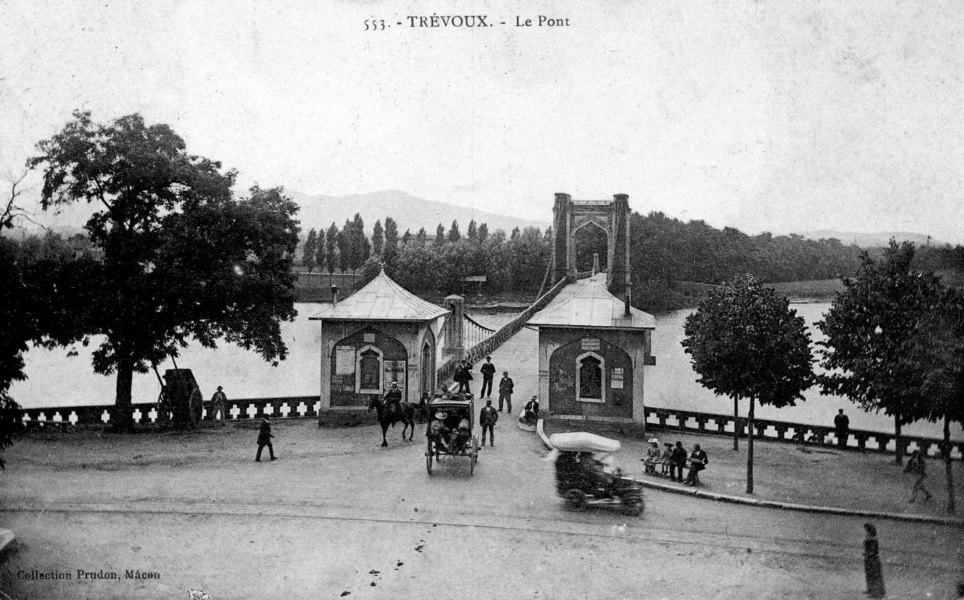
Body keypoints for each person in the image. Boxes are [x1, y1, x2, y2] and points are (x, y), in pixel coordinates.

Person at [863, 523, 886, 598]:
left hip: (871, 559)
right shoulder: (871, 537)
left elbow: (873, 551)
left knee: (872, 575)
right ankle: (872, 590)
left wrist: (867, 554)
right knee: (871, 575)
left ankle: (874, 592)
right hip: (870, 558)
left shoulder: (871, 539)